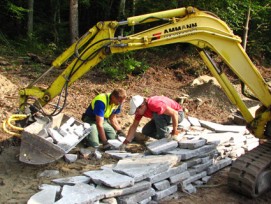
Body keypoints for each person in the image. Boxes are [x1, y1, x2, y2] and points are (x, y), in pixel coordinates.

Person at [120, 95, 184, 150]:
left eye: (136, 111)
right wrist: (125, 142)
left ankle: (166, 139)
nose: (136, 113)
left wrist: (175, 132)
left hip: (178, 115)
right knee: (146, 131)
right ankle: (165, 136)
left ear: (142, 105)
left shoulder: (154, 104)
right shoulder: (140, 111)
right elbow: (134, 126)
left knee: (157, 115)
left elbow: (174, 113)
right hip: (163, 117)